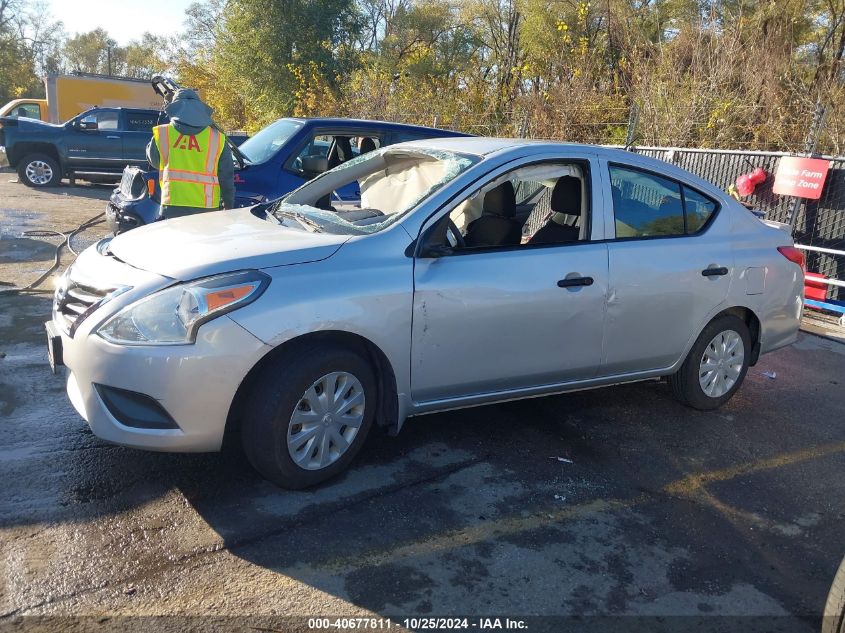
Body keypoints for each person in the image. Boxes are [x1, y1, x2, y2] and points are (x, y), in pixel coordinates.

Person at [147, 89, 235, 219]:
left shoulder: (163, 133)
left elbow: (154, 162)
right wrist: (229, 206)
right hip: (207, 208)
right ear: (199, 109)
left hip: (172, 205)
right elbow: (226, 177)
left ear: (175, 108)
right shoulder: (217, 138)